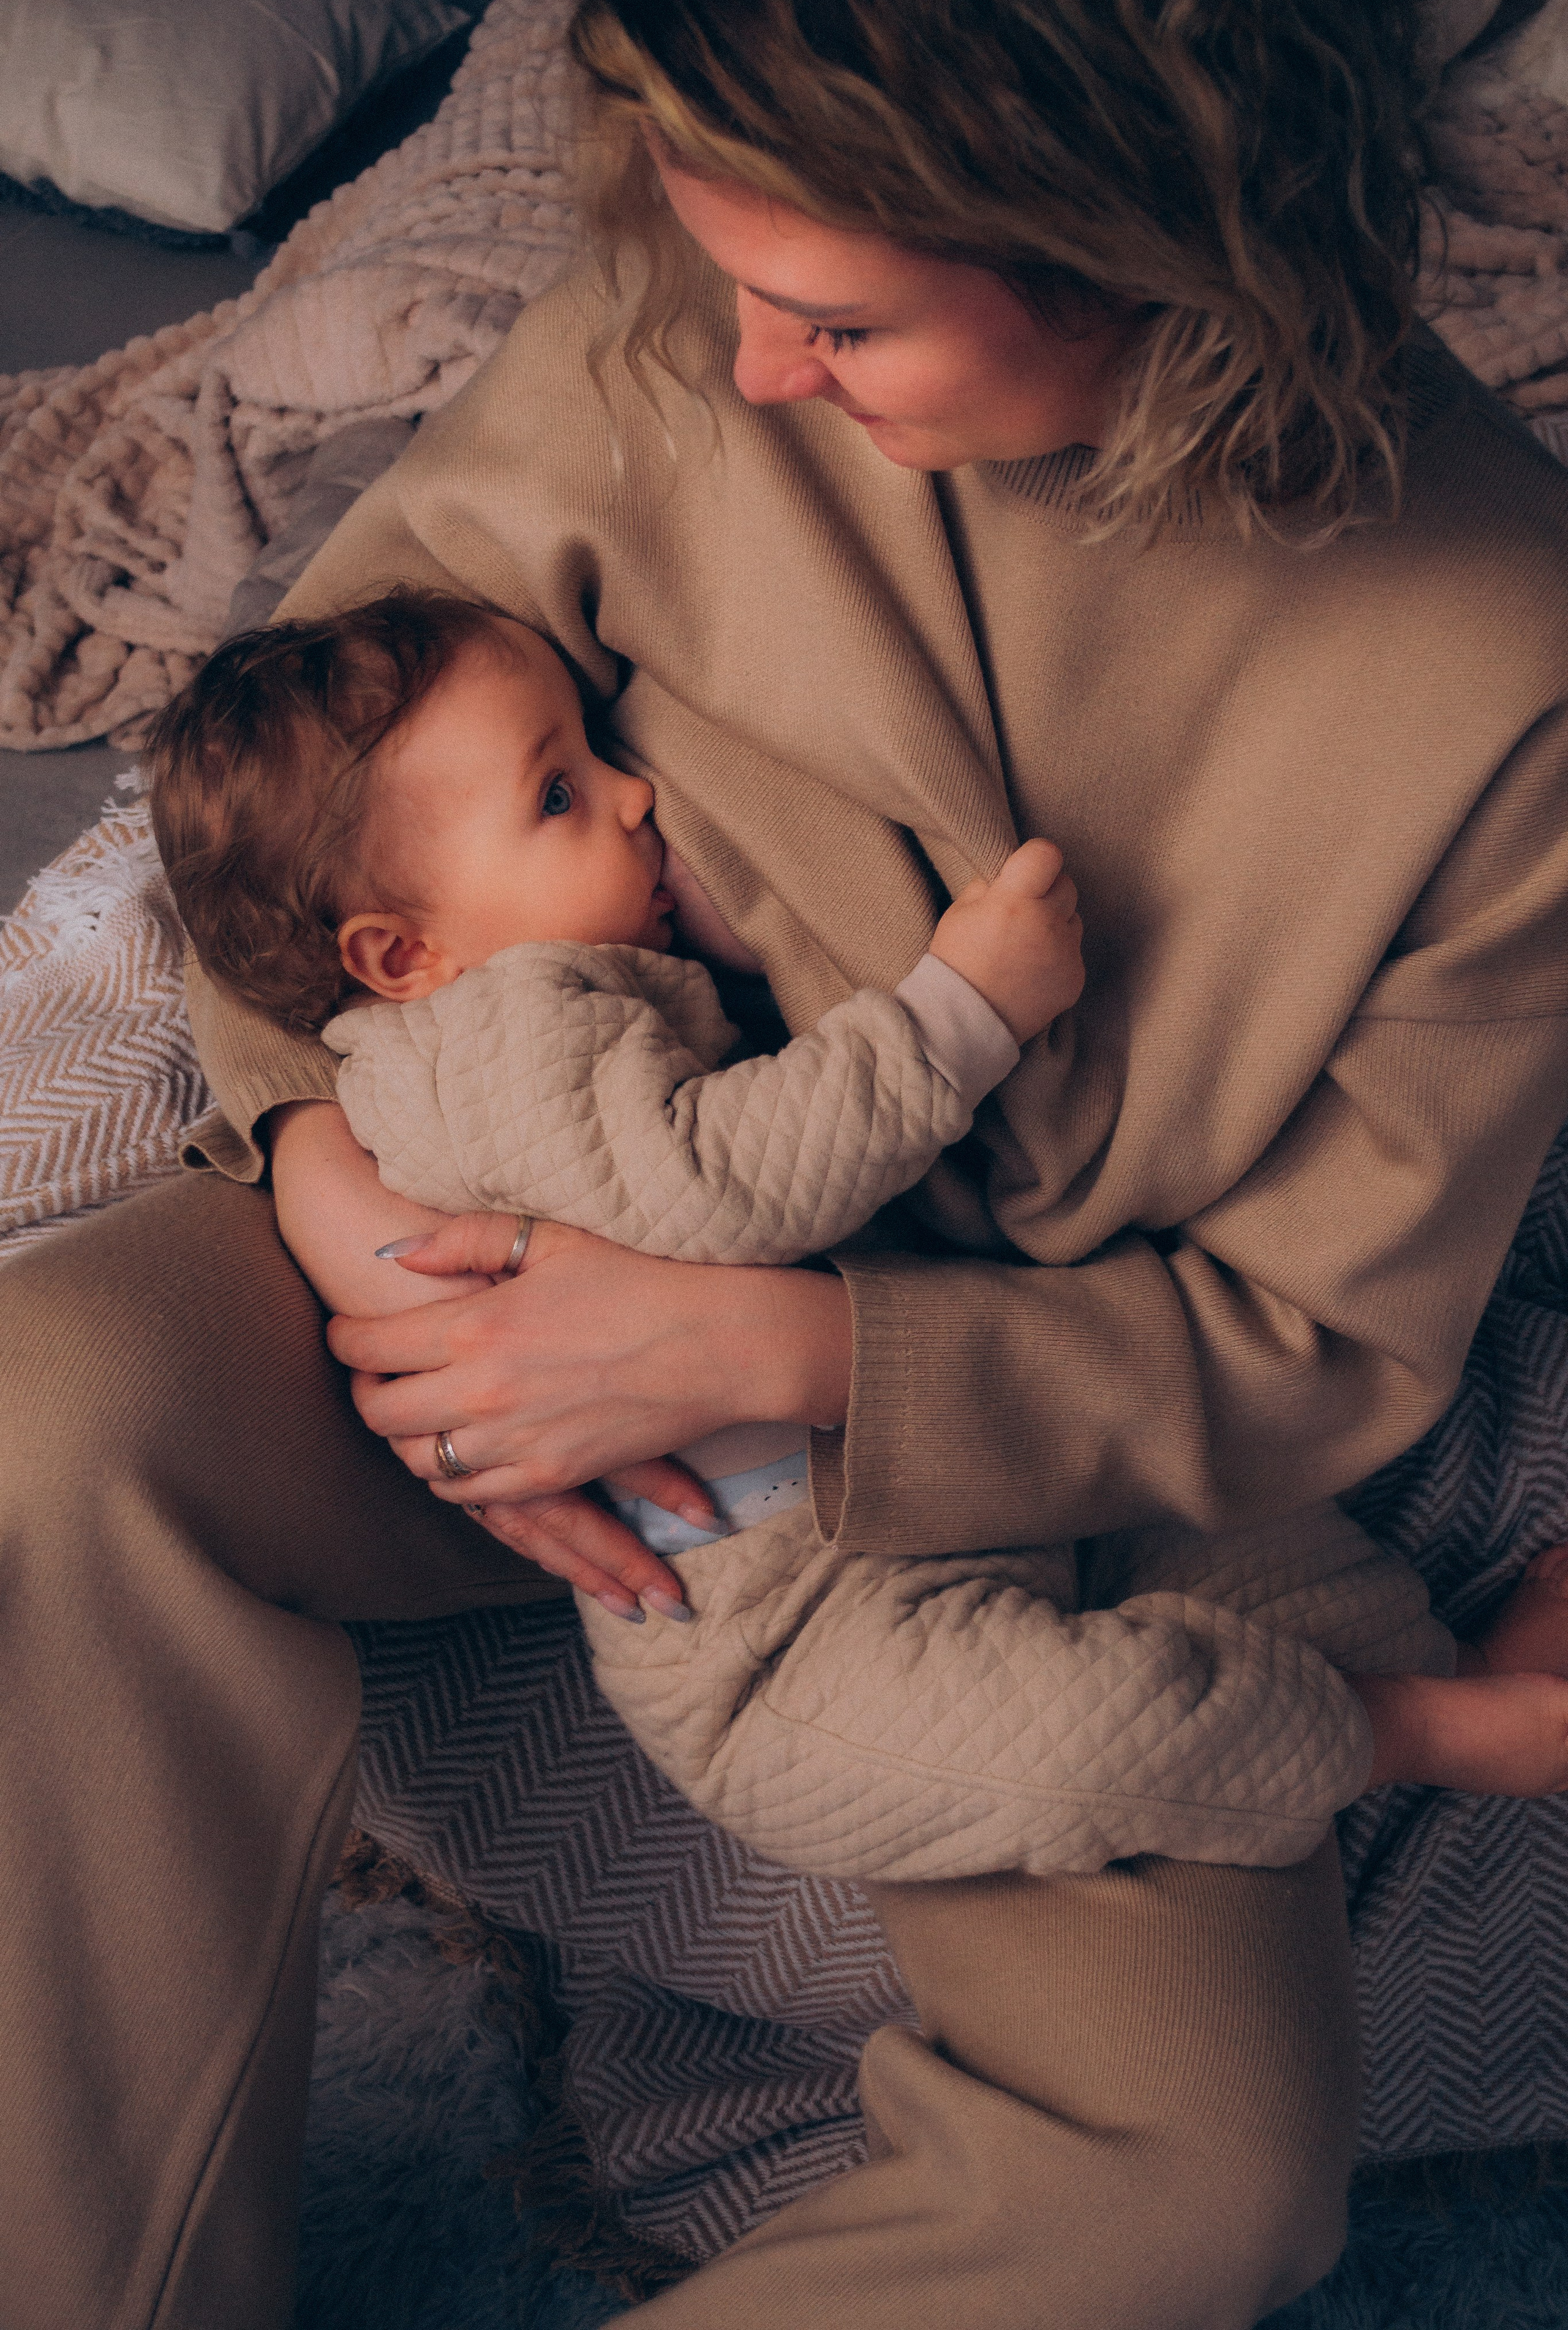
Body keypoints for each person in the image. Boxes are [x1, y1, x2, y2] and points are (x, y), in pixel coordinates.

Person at [5, 0, 1568, 2326]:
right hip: (486, 1245)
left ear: (1145, 246)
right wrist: (340, 1192)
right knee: (43, 1421)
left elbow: (1317, 1343)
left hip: (1019, 1504)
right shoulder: (702, 292)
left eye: (838, 326)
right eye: (735, 292)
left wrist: (779, 1345)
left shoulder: (1503, 669)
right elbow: (311, 804)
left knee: (1205, 2184)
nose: (747, 374)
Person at [150, 589, 1568, 1885]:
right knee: (1091, 1737)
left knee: (1251, 1556)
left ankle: (1441, 1689)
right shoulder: (499, 1035)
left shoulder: (532, 996)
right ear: (406, 956)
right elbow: (718, 1187)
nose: (640, 797)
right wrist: (960, 1009)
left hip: (917, 1501)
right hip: (786, 1649)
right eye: (562, 793)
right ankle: (1425, 1727)